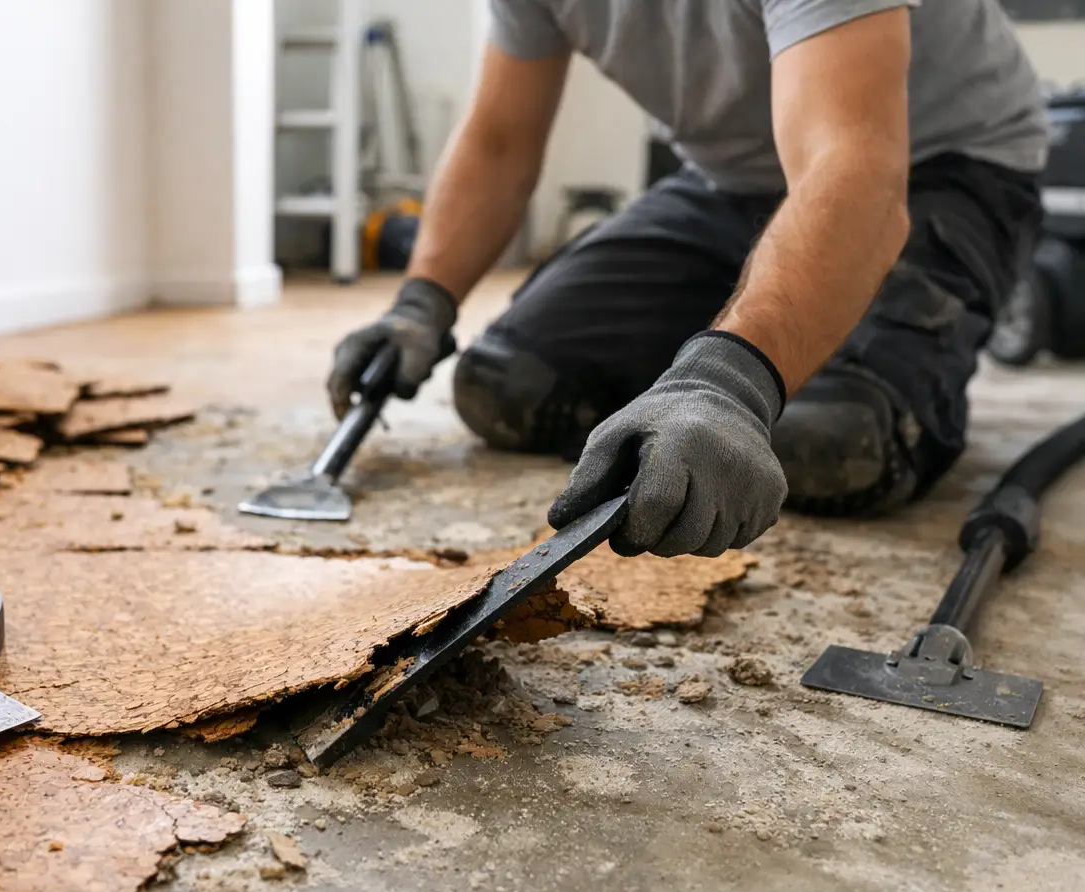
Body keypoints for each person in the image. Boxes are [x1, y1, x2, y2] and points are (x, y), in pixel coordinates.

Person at [326, 0, 1047, 558]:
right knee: (511, 387)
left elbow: (853, 165)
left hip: (937, 168)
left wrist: (731, 384)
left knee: (830, 443)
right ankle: (752, 332)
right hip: (728, 183)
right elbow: (499, 140)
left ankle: (826, 363)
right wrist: (421, 304)